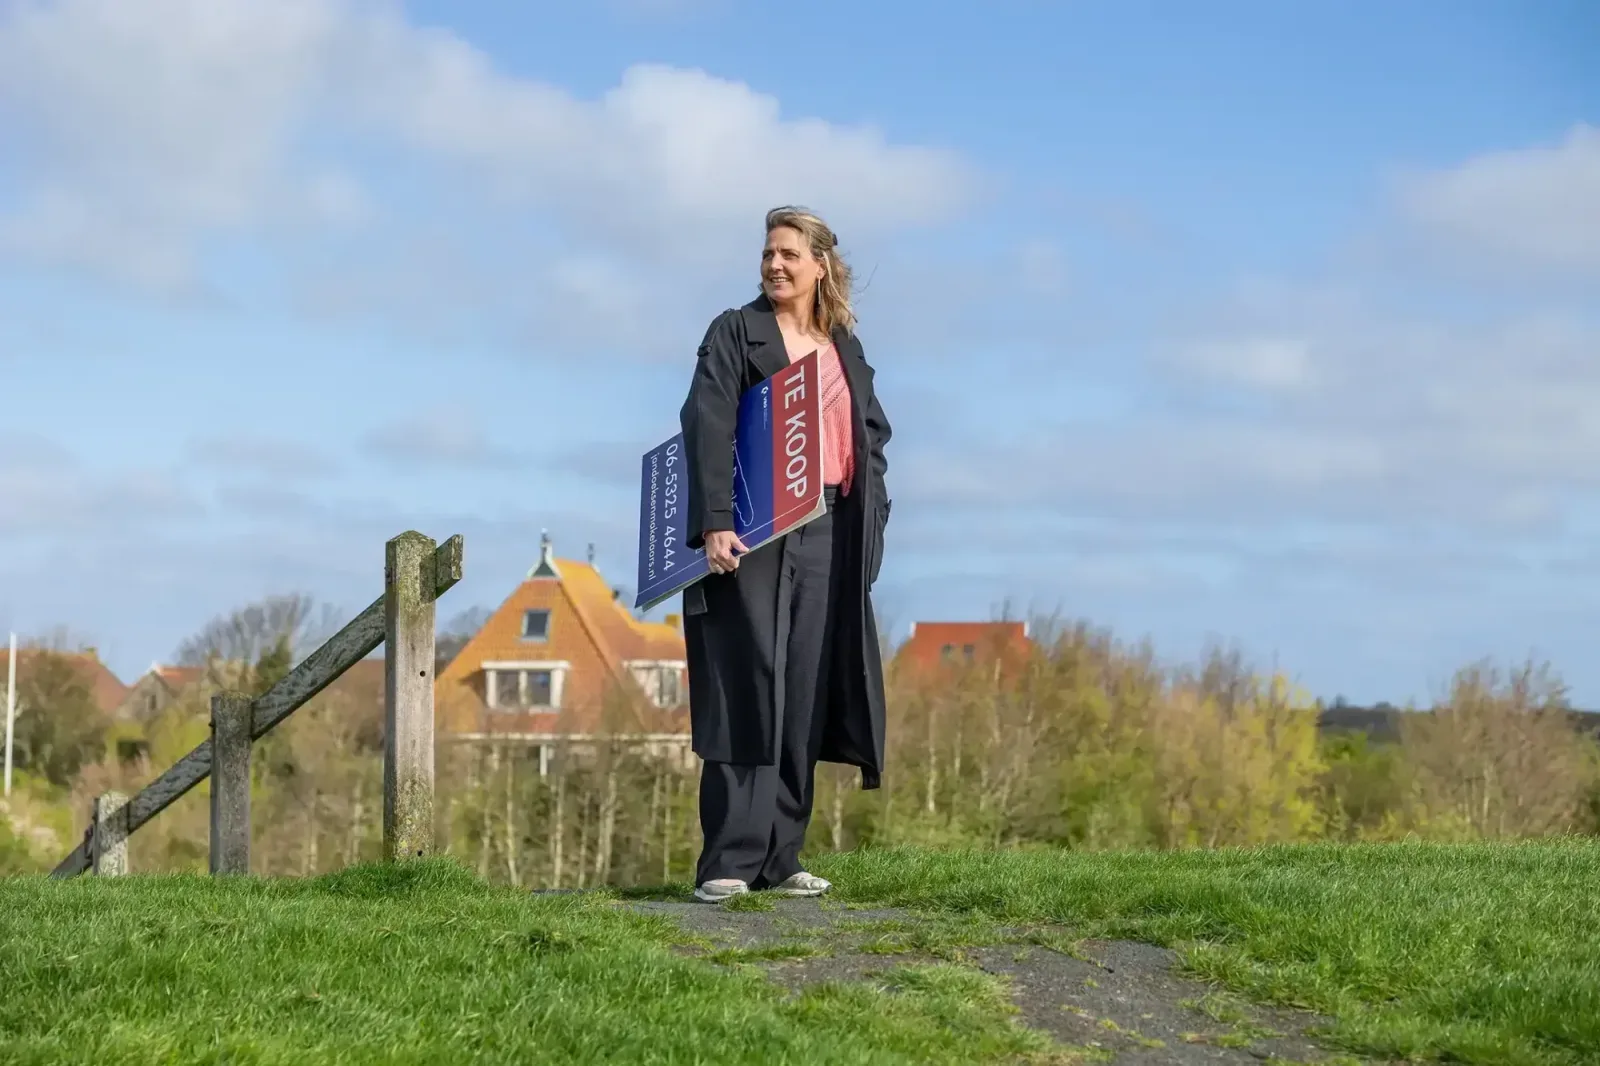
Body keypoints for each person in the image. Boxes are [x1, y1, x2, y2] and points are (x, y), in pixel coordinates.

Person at [678, 205, 893, 904]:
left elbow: (872, 439)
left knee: (804, 687)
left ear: (819, 266)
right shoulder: (736, 332)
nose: (774, 265)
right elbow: (707, 421)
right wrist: (714, 522)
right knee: (749, 680)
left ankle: (781, 856)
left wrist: (871, 526)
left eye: (789, 255)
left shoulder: (843, 348)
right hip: (754, 532)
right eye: (768, 253)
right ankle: (728, 861)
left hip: (829, 530)